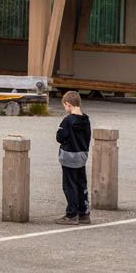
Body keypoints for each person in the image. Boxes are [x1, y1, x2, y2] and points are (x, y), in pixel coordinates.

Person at [55, 90, 92, 225]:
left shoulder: (68, 120)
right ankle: (84, 213)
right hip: (82, 155)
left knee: (69, 185)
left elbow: (60, 137)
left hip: (69, 155)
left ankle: (71, 214)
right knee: (81, 184)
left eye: (64, 106)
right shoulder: (86, 120)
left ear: (68, 104)